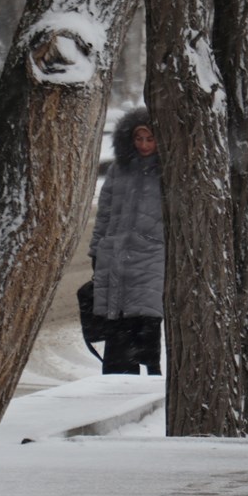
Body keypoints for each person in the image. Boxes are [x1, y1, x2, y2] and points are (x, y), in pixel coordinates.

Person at [89, 106, 165, 375]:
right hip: (116, 254)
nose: (144, 145)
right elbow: (105, 211)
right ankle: (120, 375)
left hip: (153, 255)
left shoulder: (167, 171)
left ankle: (150, 376)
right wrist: (97, 249)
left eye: (150, 139)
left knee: (146, 318)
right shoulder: (119, 169)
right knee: (117, 320)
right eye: (138, 139)